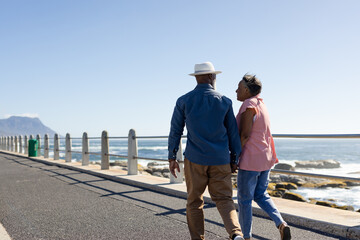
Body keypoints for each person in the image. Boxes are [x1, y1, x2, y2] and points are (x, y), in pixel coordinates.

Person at [168, 62, 244, 240]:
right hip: (220, 159)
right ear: (211, 77)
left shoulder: (183, 100)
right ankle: (236, 234)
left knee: (194, 201)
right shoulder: (224, 101)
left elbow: (175, 130)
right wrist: (234, 159)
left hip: (195, 159)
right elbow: (233, 134)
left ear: (196, 78)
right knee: (225, 200)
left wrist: (172, 157)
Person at [235, 74, 291, 240]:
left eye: (238, 87)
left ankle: (245, 236)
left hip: (250, 160)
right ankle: (281, 223)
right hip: (265, 159)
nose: (236, 90)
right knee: (260, 194)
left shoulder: (249, 105)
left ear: (246, 90)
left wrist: (234, 158)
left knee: (244, 200)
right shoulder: (261, 104)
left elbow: (244, 136)